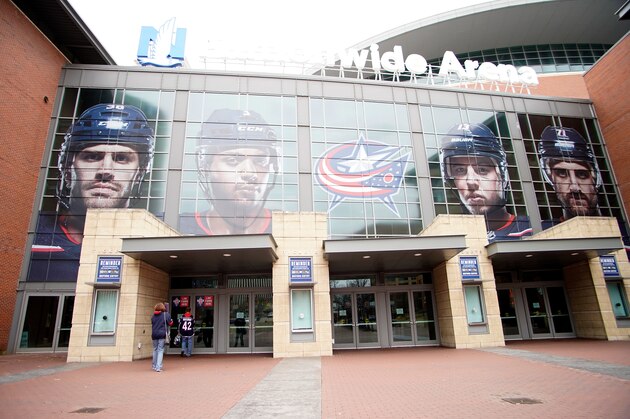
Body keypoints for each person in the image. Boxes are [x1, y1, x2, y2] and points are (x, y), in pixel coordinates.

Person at [28, 103, 155, 281]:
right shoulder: (32, 233)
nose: (105, 170)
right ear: (66, 168)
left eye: (121, 159)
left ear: (139, 172)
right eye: (93, 157)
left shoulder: (153, 234)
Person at [180, 109, 278, 235]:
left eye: (260, 161)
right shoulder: (179, 226)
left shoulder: (287, 226)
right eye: (233, 160)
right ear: (204, 165)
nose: (250, 173)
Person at [440, 123, 532, 241]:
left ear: (502, 175)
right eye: (460, 170)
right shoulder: (450, 240)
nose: (471, 182)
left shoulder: (535, 230)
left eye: (482, 169)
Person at [538, 126, 601, 220]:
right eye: (562, 173)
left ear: (595, 178)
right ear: (550, 178)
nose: (575, 188)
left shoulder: (622, 229)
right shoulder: (541, 232)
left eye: (582, 174)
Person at [151, 302, 173, 372]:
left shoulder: (153, 316)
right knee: (160, 350)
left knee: (155, 349)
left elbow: (152, 323)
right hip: (162, 334)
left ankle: (154, 366)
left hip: (154, 334)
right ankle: (158, 367)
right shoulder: (165, 314)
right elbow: (170, 323)